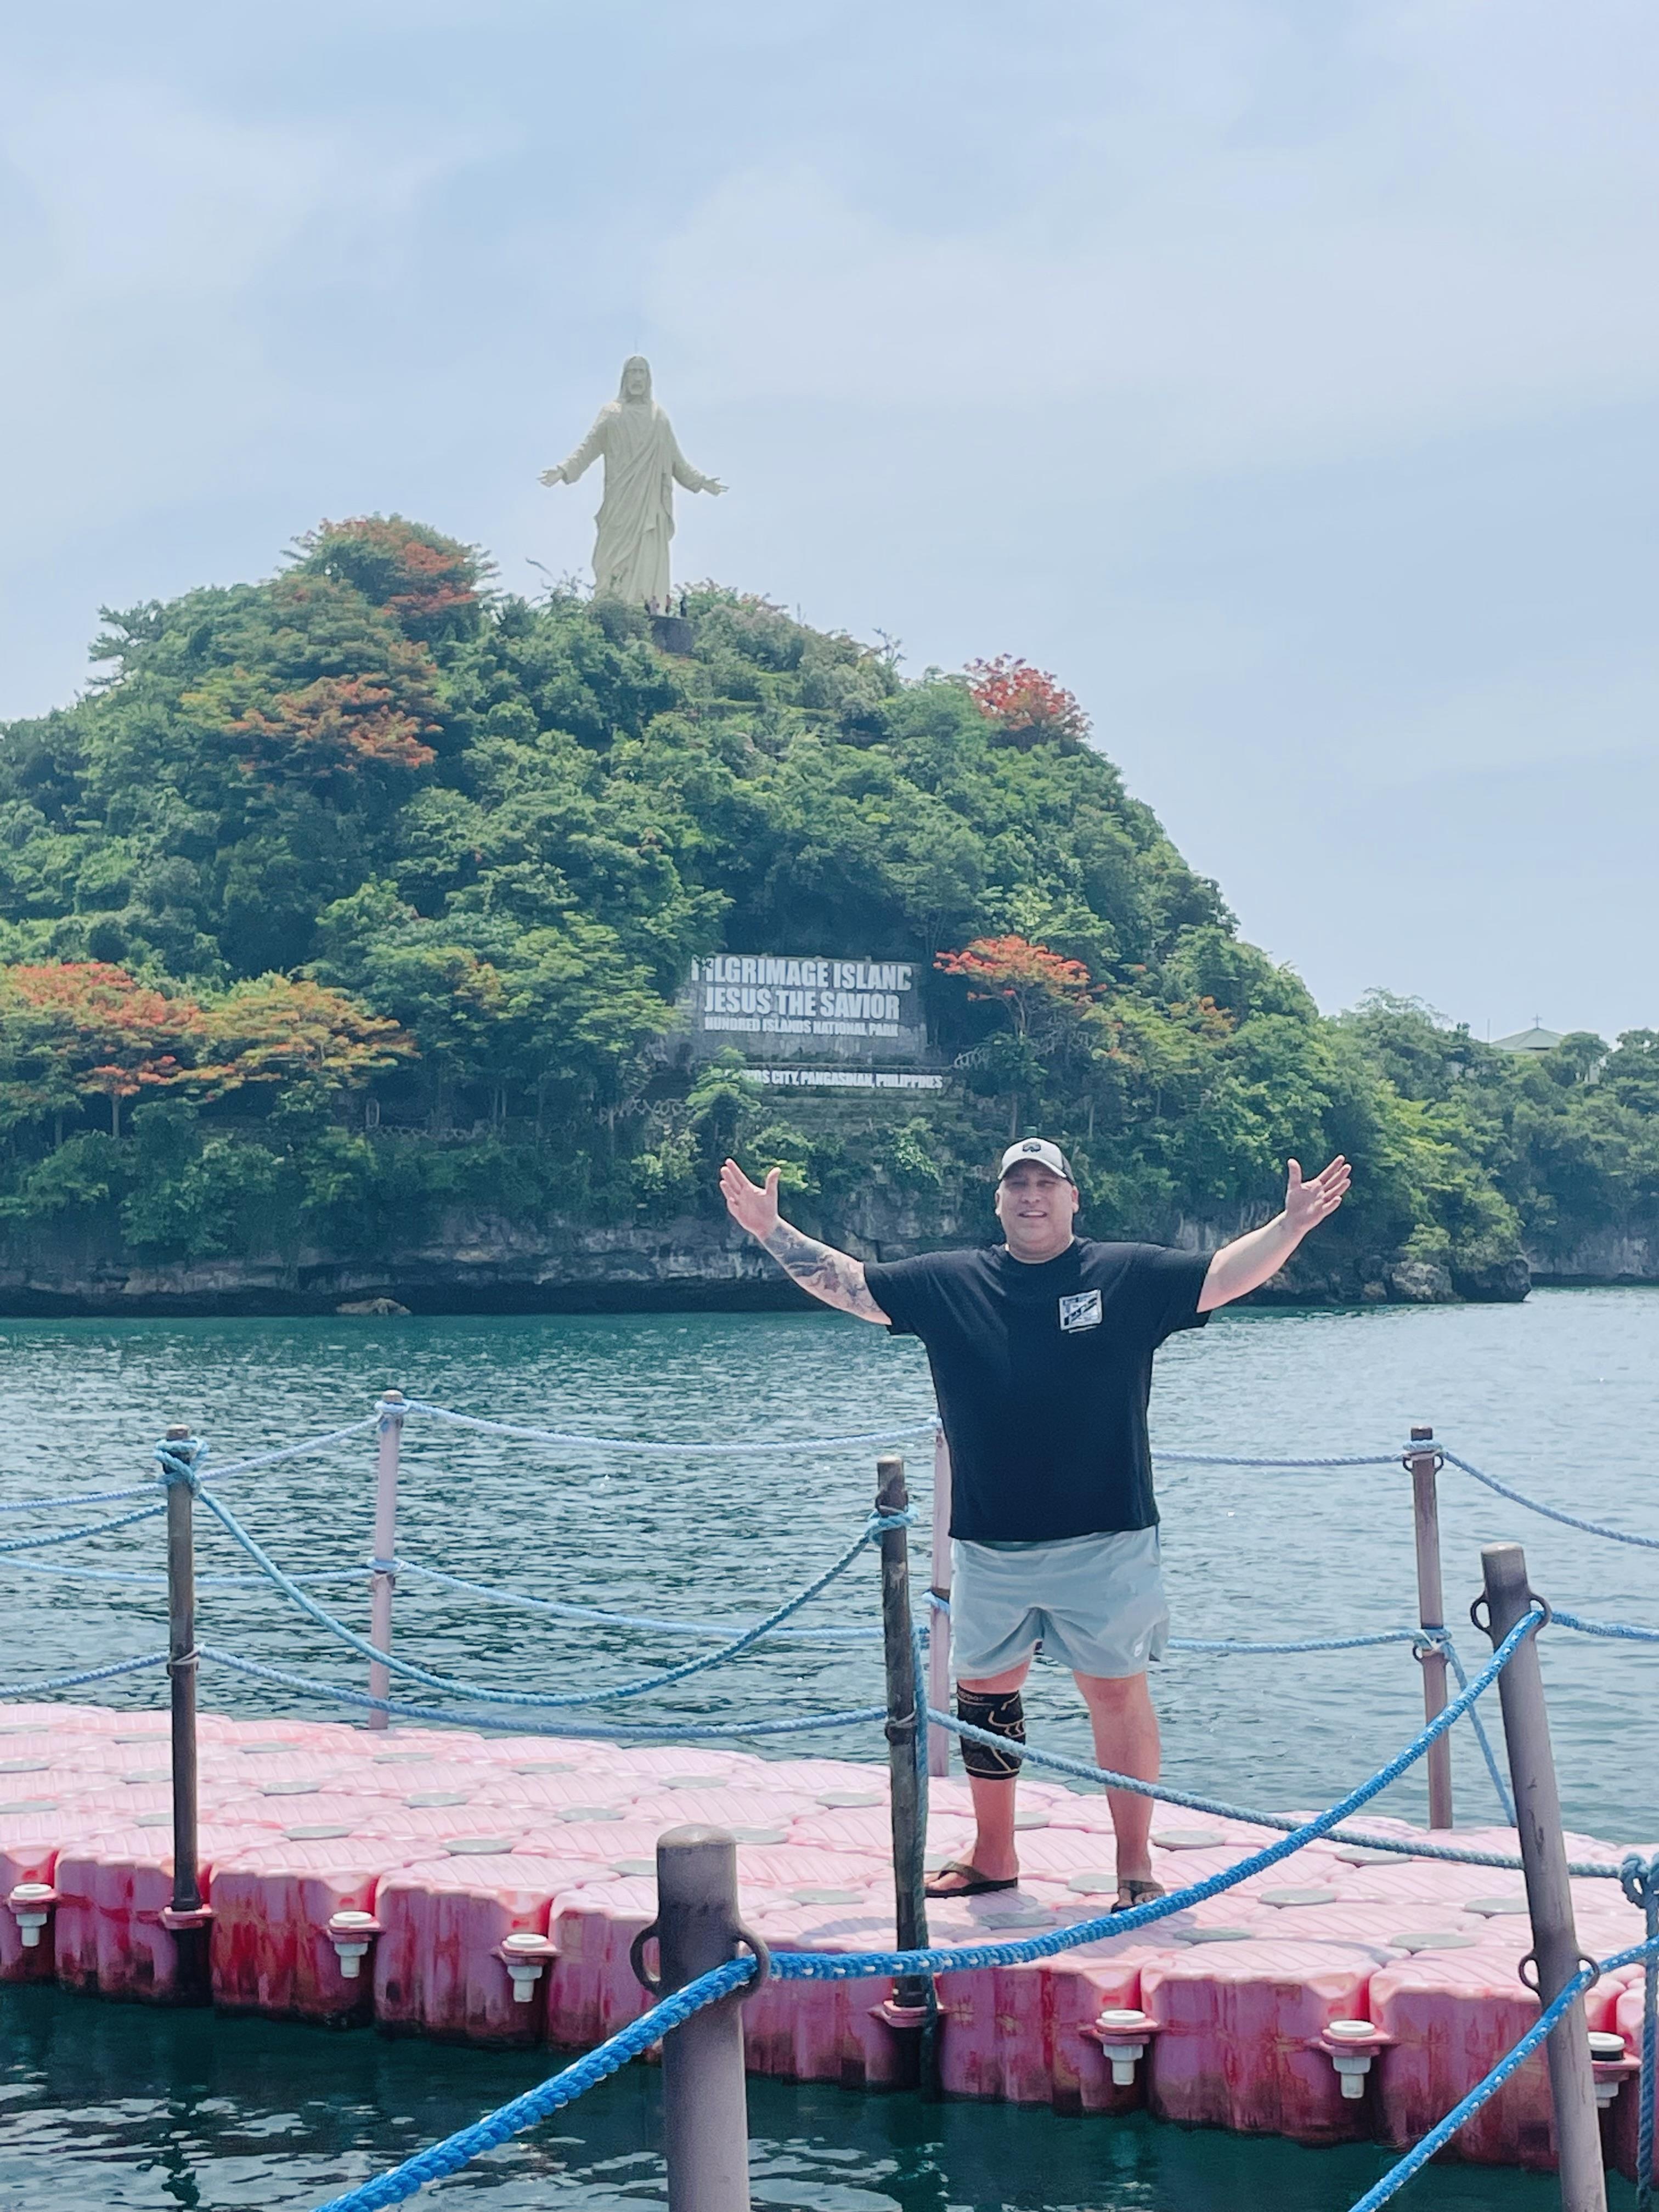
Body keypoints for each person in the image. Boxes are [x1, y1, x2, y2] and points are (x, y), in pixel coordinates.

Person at [720, 1135, 1350, 1908]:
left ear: (1073, 1197)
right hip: (990, 1540)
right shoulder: (953, 1281)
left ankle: (1133, 1867)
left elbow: (1221, 1277)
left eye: (1046, 1183)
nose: (1031, 1196)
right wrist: (768, 1231)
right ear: (998, 1201)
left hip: (1108, 1534)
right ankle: (993, 1853)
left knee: (1116, 1692)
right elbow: (850, 1286)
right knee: (985, 1690)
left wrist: (1289, 1227)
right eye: (1016, 1184)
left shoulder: (1125, 1274)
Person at [540, 355, 724, 607]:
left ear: (649, 378)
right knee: (611, 559)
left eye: (642, 372)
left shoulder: (659, 418)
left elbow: (676, 461)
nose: (637, 378)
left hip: (649, 503)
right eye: (632, 372)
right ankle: (611, 604)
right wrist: (563, 470)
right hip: (620, 502)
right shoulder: (611, 414)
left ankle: (645, 606)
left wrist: (702, 482)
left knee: (647, 555)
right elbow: (588, 447)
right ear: (624, 378)